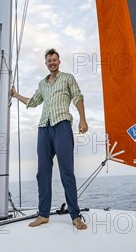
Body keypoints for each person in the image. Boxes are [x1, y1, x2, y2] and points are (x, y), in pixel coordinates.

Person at [10, 48, 88, 230]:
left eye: (54, 60)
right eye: (49, 60)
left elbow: (78, 97)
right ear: (45, 63)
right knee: (42, 172)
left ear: (59, 62)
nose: (52, 62)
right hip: (43, 128)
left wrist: (83, 119)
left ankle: (75, 216)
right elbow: (33, 102)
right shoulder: (42, 84)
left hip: (62, 126)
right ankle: (43, 214)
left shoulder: (68, 78)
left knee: (66, 171)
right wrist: (14, 94)